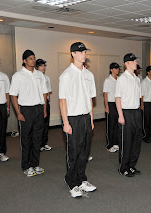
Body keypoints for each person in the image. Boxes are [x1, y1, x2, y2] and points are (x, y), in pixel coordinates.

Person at [59, 42, 97, 198]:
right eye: (80, 52)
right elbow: (63, 101)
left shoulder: (89, 75)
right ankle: (71, 182)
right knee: (74, 152)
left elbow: (90, 99)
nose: (84, 54)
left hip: (86, 117)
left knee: (84, 152)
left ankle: (81, 179)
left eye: (85, 51)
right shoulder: (66, 75)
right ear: (73, 54)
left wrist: (92, 118)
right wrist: (66, 122)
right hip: (73, 118)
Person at [10, 50, 48, 177]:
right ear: (24, 61)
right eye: (30, 58)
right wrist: (18, 113)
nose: (33, 60)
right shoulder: (18, 75)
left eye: (34, 58)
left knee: (37, 139)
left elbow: (44, 93)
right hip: (25, 110)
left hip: (38, 109)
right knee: (26, 139)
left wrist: (43, 110)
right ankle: (26, 166)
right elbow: (13, 95)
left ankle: (35, 164)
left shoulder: (39, 75)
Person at [115, 53, 142, 177]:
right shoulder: (122, 79)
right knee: (126, 141)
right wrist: (120, 115)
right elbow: (118, 98)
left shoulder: (137, 78)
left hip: (136, 112)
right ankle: (123, 167)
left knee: (136, 141)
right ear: (127, 63)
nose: (136, 63)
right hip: (126, 112)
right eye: (134, 61)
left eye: (136, 61)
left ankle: (131, 166)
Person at [36, 59, 53, 152]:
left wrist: (48, 102)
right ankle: (38, 144)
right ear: (37, 67)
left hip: (46, 103)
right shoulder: (35, 77)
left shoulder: (47, 78)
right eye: (41, 66)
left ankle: (44, 143)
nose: (43, 67)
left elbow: (48, 92)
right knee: (39, 125)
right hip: (38, 103)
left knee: (46, 124)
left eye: (44, 66)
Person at [103, 62, 120, 153]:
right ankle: (109, 144)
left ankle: (116, 143)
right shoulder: (107, 80)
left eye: (118, 68)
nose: (117, 70)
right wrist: (106, 107)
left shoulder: (119, 79)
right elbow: (105, 94)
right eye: (116, 68)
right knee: (111, 125)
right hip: (111, 104)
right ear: (111, 70)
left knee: (118, 124)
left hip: (118, 104)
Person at [141, 66, 151, 143]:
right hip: (146, 102)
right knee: (147, 120)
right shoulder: (144, 82)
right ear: (148, 72)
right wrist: (142, 104)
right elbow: (142, 94)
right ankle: (145, 136)